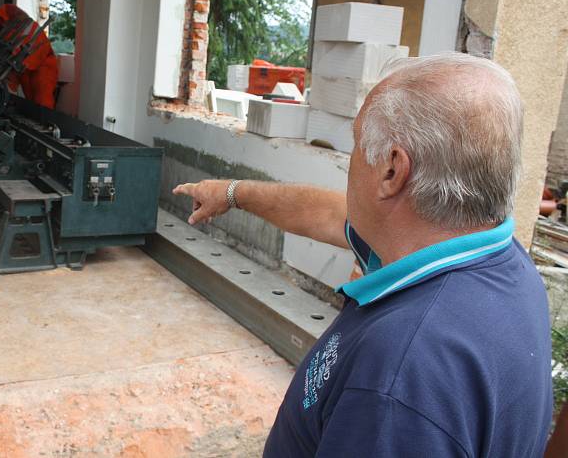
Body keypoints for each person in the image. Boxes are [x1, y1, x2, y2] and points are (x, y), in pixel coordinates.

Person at [173, 53, 552, 457]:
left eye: (356, 144)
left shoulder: (401, 375)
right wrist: (233, 193)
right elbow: (326, 213)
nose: (351, 161)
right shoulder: (498, 260)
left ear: (392, 171)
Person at [0, 3, 58, 109]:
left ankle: (47, 124)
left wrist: (5, 33)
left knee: (43, 100)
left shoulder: (7, 10)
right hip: (23, 66)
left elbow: (24, 19)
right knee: (31, 100)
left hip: (42, 61)